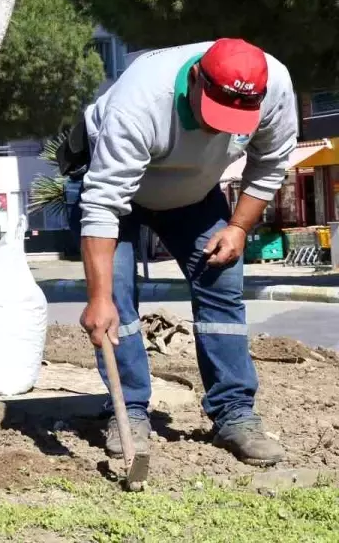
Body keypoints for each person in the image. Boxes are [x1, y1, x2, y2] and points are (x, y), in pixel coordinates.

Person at [64, 39, 296, 466]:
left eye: (233, 120)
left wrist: (239, 226)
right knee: (114, 298)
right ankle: (129, 411)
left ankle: (234, 414)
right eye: (213, 114)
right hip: (117, 196)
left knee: (221, 285)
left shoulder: (274, 86)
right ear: (194, 79)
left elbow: (271, 162)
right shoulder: (141, 101)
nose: (217, 129)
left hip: (195, 196)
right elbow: (102, 204)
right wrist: (97, 300)